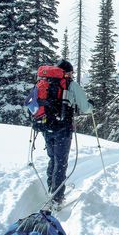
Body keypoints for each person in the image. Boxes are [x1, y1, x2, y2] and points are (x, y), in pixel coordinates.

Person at [44, 59, 93, 205]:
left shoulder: (46, 83)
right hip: (63, 129)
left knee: (53, 159)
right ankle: (57, 198)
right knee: (61, 162)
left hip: (46, 127)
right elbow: (85, 108)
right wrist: (92, 106)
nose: (72, 74)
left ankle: (51, 189)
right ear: (67, 72)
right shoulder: (71, 85)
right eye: (71, 72)